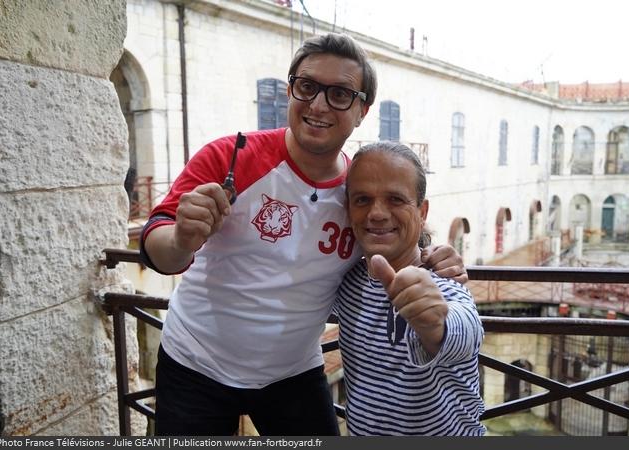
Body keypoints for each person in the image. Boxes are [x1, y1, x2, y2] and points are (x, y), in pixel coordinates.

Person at [140, 33, 468, 436]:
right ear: (290, 89)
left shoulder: (359, 193)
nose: (318, 105)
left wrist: (433, 254)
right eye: (307, 86)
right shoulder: (230, 156)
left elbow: (395, 233)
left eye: (340, 94)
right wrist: (181, 240)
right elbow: (159, 250)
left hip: (292, 375)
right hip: (195, 364)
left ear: (362, 110)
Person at [335, 142, 485, 436]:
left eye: (395, 199)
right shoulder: (346, 280)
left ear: (422, 210)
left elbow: (466, 328)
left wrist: (434, 324)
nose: (376, 213)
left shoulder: (442, 283)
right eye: (362, 199)